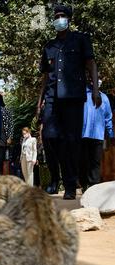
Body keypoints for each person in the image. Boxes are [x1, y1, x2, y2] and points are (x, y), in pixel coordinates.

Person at [37, 4, 101, 200]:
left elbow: (91, 64)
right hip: (51, 100)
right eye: (56, 16)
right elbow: (45, 78)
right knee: (49, 138)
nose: (59, 19)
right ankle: (56, 179)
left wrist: (96, 91)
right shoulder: (49, 46)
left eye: (62, 15)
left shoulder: (81, 40)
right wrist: (39, 102)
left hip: (73, 98)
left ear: (69, 19)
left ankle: (71, 185)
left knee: (72, 143)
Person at [80, 83, 115, 192]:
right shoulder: (82, 96)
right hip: (83, 135)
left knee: (94, 162)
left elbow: (108, 117)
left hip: (96, 135)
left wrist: (111, 134)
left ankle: (93, 188)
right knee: (85, 161)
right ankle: (85, 185)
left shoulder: (104, 98)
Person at [38, 100, 61, 194]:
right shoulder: (43, 108)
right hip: (47, 135)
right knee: (50, 161)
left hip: (58, 135)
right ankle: (54, 181)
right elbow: (41, 123)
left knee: (59, 159)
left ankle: (61, 182)